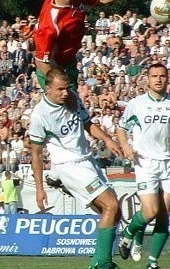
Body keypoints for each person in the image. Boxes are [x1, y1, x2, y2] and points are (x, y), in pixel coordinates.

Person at [30, 69, 123, 269]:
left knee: (115, 213)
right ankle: (102, 263)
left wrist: (107, 139)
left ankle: (104, 258)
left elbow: (87, 123)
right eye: (60, 89)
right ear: (48, 88)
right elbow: (36, 154)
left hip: (87, 160)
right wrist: (39, 188)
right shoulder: (40, 114)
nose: (65, 93)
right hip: (68, 165)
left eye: (68, 88)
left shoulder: (72, 99)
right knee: (111, 205)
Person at [116, 64, 170, 269]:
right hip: (145, 163)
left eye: (162, 76)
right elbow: (121, 128)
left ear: (168, 79)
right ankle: (128, 233)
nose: (158, 79)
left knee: (164, 214)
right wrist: (126, 147)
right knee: (150, 211)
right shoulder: (137, 104)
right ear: (147, 80)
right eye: (154, 76)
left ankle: (152, 262)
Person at [33, 0, 145, 89]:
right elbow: (41, 61)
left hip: (68, 60)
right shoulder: (50, 23)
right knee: (65, 104)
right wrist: (58, 86)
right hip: (52, 67)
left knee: (72, 105)